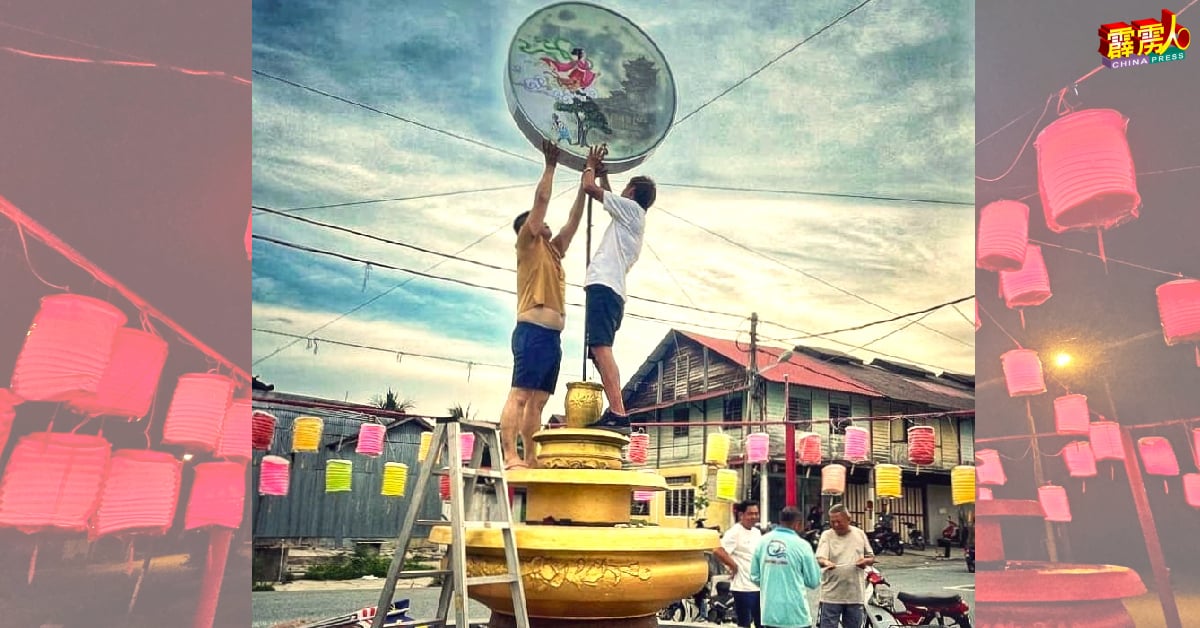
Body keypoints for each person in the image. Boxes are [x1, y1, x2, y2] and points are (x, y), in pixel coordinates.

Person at [498, 139, 586, 469]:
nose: (547, 224)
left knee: (538, 401)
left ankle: (531, 458)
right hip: (531, 331)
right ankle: (510, 455)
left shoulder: (553, 251)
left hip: (552, 338)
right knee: (520, 395)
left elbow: (573, 223)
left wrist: (584, 186)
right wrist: (551, 165)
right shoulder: (528, 243)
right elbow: (542, 200)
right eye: (539, 222)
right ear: (528, 228)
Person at [577, 144, 657, 434]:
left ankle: (618, 413)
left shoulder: (632, 210)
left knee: (601, 348)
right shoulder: (632, 215)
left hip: (605, 286)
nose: (620, 191)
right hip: (611, 289)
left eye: (625, 187)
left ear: (633, 192)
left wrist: (590, 164)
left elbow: (588, 188)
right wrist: (606, 177)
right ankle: (615, 409)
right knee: (598, 351)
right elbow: (610, 201)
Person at [751, 506, 822, 628]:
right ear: (797, 524)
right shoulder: (802, 546)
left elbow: (755, 576)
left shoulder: (762, 542)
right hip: (796, 616)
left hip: (770, 615)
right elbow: (813, 581)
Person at [815, 504, 875, 628]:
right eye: (832, 522)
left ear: (849, 519)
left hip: (855, 595)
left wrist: (865, 561)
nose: (836, 525)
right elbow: (820, 558)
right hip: (831, 595)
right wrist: (826, 563)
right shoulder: (827, 535)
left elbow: (871, 557)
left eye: (839, 521)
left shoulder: (859, 534)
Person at [714, 500, 763, 628]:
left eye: (756, 513)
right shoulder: (734, 532)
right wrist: (733, 566)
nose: (754, 517)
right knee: (744, 623)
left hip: (759, 586)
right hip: (743, 588)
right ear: (741, 515)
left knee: (761, 623)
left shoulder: (756, 532)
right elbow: (718, 550)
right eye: (750, 514)